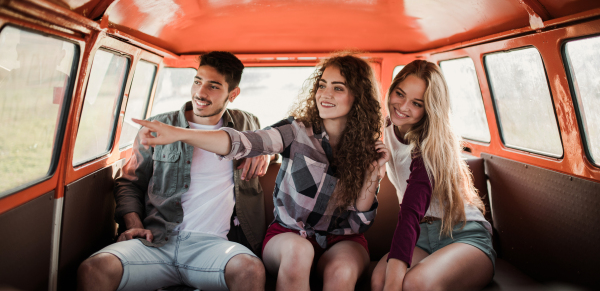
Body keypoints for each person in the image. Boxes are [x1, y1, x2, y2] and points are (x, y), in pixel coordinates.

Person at [133, 54, 390, 291]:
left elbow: (358, 224)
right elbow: (242, 143)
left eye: (338, 88)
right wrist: (179, 133)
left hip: (342, 241)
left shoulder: (368, 149)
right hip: (288, 235)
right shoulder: (295, 130)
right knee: (298, 254)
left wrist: (372, 175)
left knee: (342, 272)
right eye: (322, 85)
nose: (325, 94)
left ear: (358, 97)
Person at [77, 51, 270, 291]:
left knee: (250, 270)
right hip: (157, 241)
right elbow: (129, 183)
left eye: (213, 86)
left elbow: (271, 137)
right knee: (94, 269)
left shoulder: (246, 125)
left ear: (233, 94)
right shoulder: (159, 126)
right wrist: (134, 224)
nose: (200, 93)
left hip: (214, 247)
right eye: (198, 81)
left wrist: (264, 150)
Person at [371, 60, 495, 291]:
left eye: (416, 103)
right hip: (421, 237)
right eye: (400, 94)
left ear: (429, 108)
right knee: (378, 281)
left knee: (416, 284)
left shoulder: (429, 146)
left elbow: (409, 212)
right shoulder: (385, 128)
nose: (403, 106)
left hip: (463, 235)